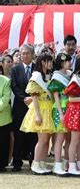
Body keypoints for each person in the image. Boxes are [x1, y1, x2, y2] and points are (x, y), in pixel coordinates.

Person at [20, 53, 55, 175]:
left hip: (49, 108)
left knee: (47, 140)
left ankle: (42, 163)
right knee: (42, 139)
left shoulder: (48, 75)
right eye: (48, 61)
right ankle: (35, 164)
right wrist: (38, 115)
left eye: (51, 61)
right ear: (42, 62)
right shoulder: (36, 77)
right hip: (40, 109)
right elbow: (34, 97)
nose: (50, 63)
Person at [10, 44, 37, 172]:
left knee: (33, 136)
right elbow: (14, 87)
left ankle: (34, 162)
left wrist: (32, 98)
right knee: (18, 136)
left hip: (35, 106)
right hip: (20, 107)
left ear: (32, 54)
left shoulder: (37, 69)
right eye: (22, 53)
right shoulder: (15, 69)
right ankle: (17, 162)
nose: (24, 55)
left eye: (27, 53)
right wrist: (24, 98)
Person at [48, 53, 72, 176]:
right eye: (69, 61)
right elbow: (56, 97)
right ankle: (57, 164)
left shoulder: (68, 75)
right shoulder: (57, 77)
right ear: (63, 63)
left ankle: (67, 163)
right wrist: (61, 114)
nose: (70, 63)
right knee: (59, 138)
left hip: (69, 107)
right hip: (60, 109)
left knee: (68, 138)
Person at [0, 72, 12, 172]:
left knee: (3, 143)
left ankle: (2, 164)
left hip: (3, 118)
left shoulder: (6, 80)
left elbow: (5, 98)